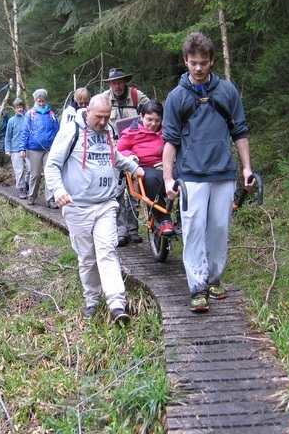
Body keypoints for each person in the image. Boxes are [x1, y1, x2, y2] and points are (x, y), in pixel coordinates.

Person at [162, 31, 253, 313]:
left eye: (203, 62)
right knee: (193, 231)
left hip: (223, 172)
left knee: (219, 228)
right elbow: (170, 141)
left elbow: (240, 131)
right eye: (193, 63)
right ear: (186, 62)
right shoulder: (176, 98)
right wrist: (167, 177)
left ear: (212, 61)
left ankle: (214, 279)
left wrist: (247, 168)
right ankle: (197, 287)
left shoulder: (227, 92)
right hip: (191, 175)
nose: (198, 68)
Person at [44, 94, 145, 323]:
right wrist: (58, 190)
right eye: (99, 117)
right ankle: (92, 299)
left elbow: (114, 156)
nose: (102, 122)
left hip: (106, 204)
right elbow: (52, 165)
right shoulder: (71, 131)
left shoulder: (108, 131)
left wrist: (132, 166)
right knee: (88, 257)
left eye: (106, 117)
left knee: (107, 250)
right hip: (77, 206)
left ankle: (117, 303)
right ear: (87, 110)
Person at [102, 68, 151, 246]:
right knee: (116, 191)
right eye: (114, 82)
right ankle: (120, 230)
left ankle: (133, 229)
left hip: (135, 150)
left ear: (125, 82)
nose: (117, 85)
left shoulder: (138, 97)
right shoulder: (104, 99)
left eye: (120, 82)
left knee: (135, 190)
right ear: (110, 84)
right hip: (113, 149)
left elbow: (152, 114)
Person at [116, 100, 174, 236]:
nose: (153, 124)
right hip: (145, 167)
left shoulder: (166, 132)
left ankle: (182, 218)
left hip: (166, 164)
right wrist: (131, 156)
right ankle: (162, 218)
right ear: (141, 117)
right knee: (152, 179)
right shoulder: (131, 133)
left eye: (157, 120)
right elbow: (118, 151)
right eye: (149, 120)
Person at [18, 89, 60, 208]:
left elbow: (57, 131)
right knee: (35, 174)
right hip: (33, 149)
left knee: (49, 173)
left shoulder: (51, 114)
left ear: (45, 100)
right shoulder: (30, 114)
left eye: (43, 101)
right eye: (39, 101)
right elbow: (24, 131)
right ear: (35, 100)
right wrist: (22, 148)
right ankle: (32, 195)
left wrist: (58, 146)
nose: (41, 103)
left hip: (49, 148)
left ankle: (50, 199)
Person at [5, 98, 30, 199]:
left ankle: (28, 185)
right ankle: (22, 190)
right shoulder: (11, 121)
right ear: (14, 109)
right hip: (15, 149)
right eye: (17, 107)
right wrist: (8, 149)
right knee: (19, 171)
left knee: (30, 169)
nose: (19, 109)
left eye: (21, 107)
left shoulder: (28, 118)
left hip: (28, 148)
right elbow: (8, 136)